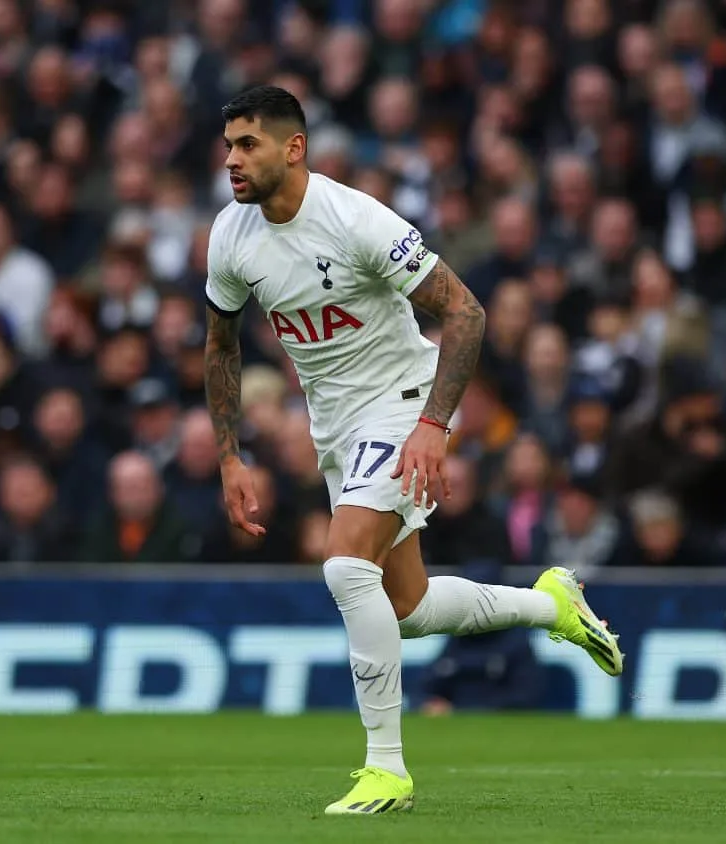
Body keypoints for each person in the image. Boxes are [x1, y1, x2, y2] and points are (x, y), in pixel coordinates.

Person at [202, 86, 624, 816]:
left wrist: (433, 426)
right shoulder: (231, 236)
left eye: (248, 145)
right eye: (229, 145)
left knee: (343, 566)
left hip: (400, 403)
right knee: (405, 606)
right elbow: (220, 345)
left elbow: (464, 309)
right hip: (335, 426)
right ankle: (549, 604)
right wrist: (229, 456)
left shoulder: (355, 219)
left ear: (292, 148)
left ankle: (386, 769)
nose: (232, 159)